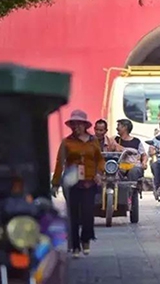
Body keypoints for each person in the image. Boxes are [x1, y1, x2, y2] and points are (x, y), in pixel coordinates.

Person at [51, 110, 105, 257]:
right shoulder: (66, 142)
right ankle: (75, 246)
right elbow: (59, 163)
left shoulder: (93, 141)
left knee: (88, 214)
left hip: (89, 181)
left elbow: (100, 159)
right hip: (72, 183)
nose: (76, 127)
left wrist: (99, 173)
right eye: (73, 124)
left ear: (84, 125)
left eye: (78, 124)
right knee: (73, 215)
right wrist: (55, 182)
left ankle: (86, 239)